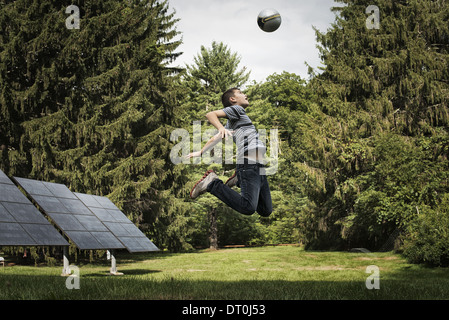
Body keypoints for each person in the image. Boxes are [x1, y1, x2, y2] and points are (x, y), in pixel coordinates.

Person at [187, 88, 273, 217]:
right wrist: (220, 128)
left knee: (265, 210)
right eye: (241, 93)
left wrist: (201, 152)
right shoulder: (237, 109)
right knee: (247, 208)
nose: (245, 95)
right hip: (248, 161)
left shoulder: (232, 122)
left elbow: (215, 138)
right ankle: (212, 183)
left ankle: (239, 178)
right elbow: (210, 114)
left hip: (257, 165)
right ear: (232, 100)